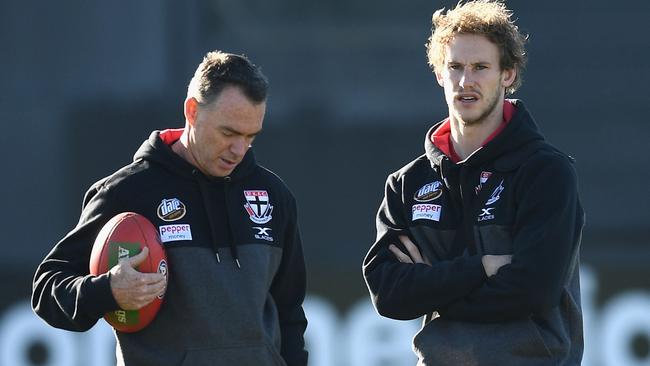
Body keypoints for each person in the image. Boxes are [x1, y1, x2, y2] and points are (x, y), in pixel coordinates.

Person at [32, 51, 308, 366]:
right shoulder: (127, 192)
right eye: (228, 133)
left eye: (250, 137)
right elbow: (47, 289)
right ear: (192, 111)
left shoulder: (273, 196)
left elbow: (289, 312)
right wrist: (107, 290)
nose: (239, 150)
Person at [362, 1, 584, 365]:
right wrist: (481, 268)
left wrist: (432, 283)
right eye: (455, 67)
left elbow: (533, 290)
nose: (466, 82)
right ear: (439, 74)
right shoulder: (406, 183)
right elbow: (388, 294)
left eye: (481, 67)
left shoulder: (547, 172)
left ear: (508, 74)